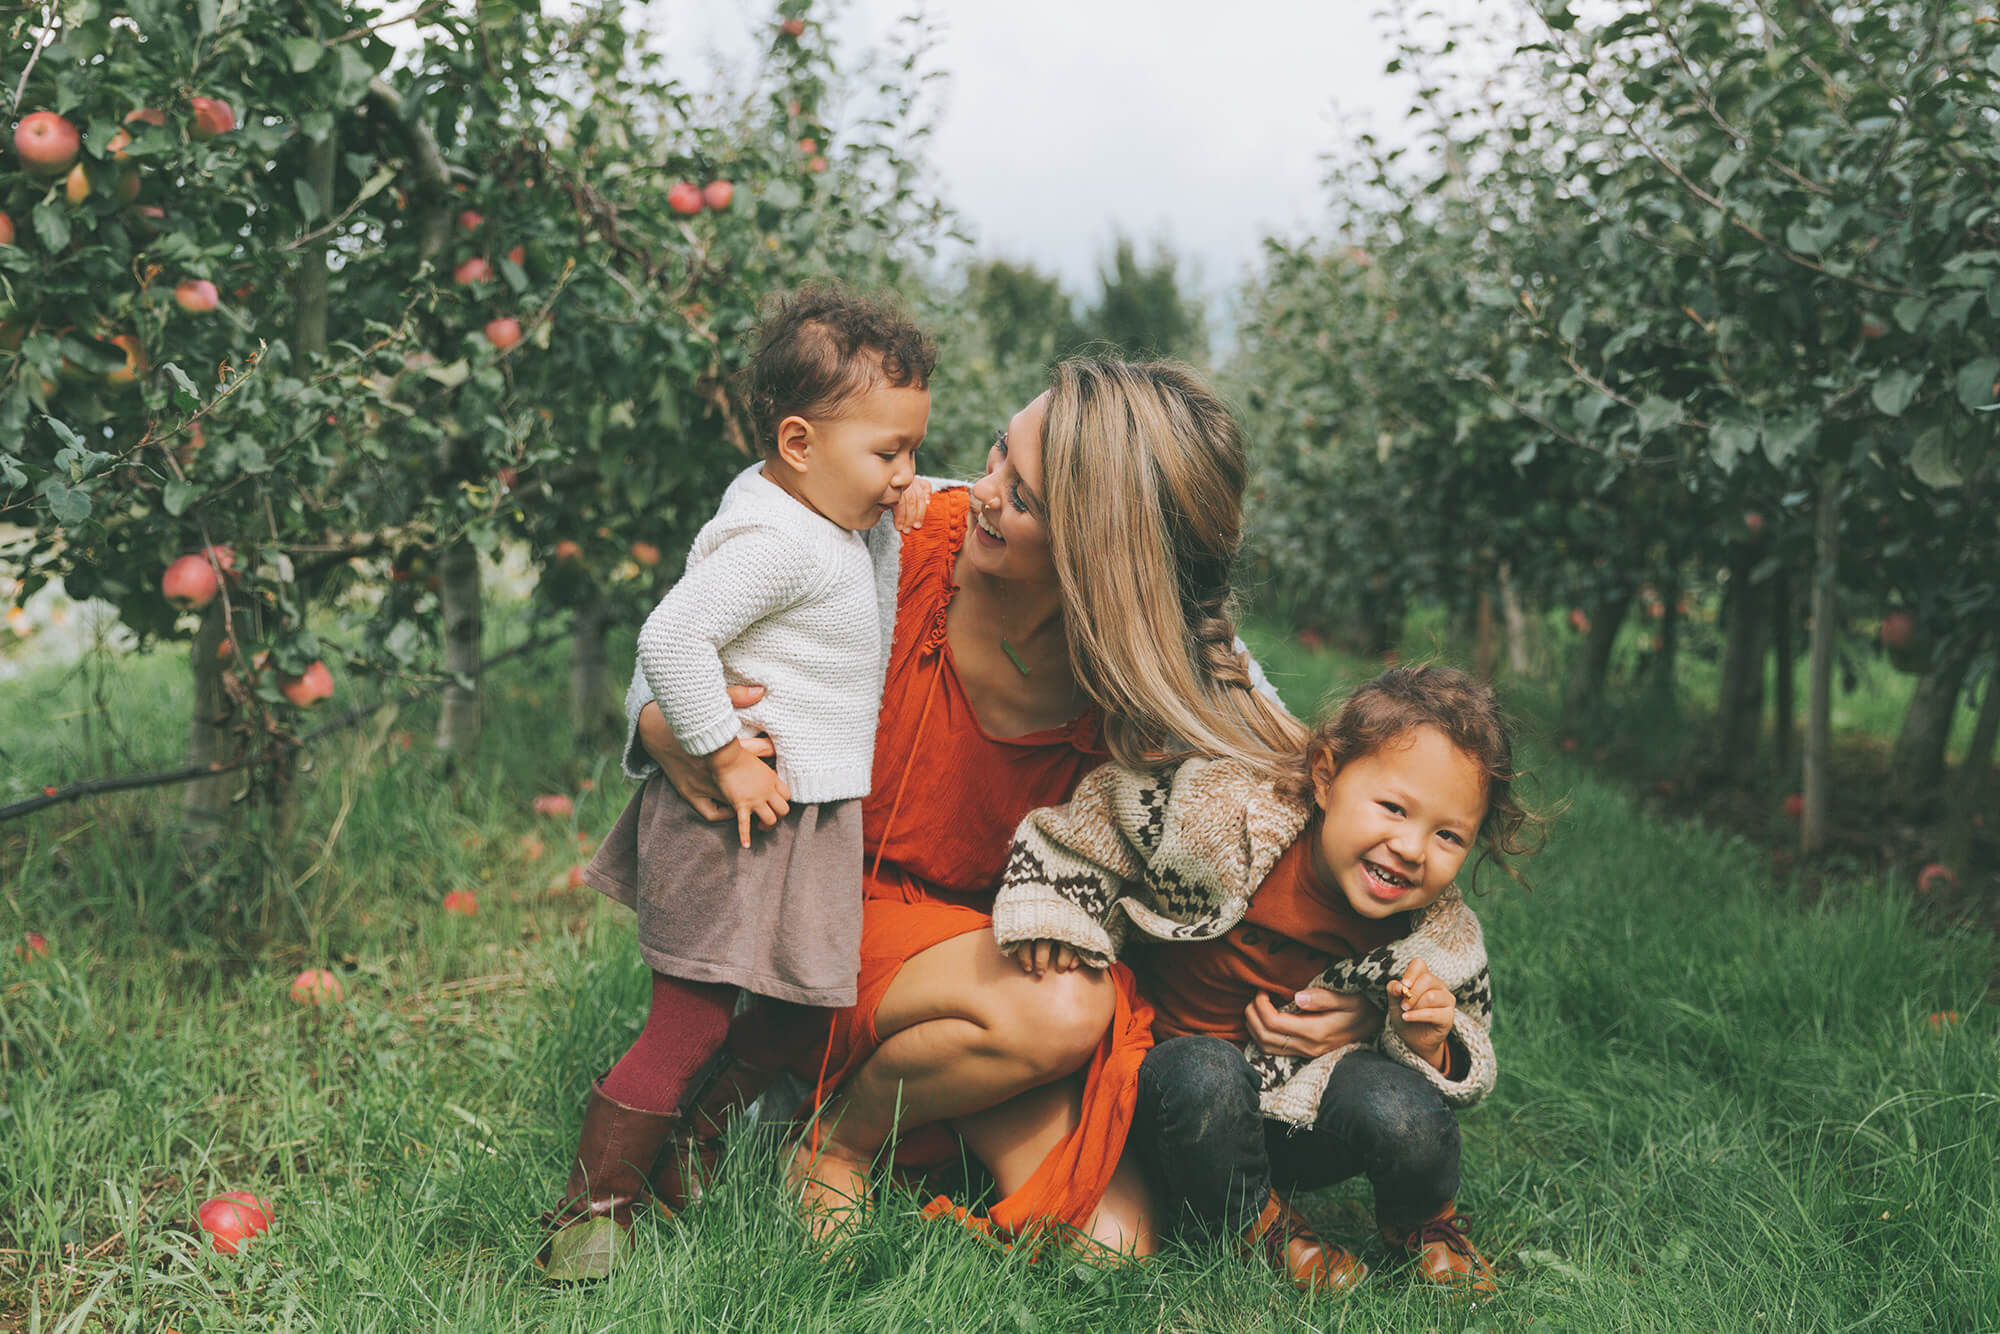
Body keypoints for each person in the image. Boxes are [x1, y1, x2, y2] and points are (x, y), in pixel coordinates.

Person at [619, 358, 1310, 1256]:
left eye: (1020, 496)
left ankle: (871, 1094)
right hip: (830, 909)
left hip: (993, 953)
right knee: (1065, 1009)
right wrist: (662, 725)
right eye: (998, 452)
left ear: (1102, 558)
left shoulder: (1163, 667)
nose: (980, 490)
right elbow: (679, 633)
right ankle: (842, 1143)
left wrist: (1364, 1004)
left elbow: (1321, 812)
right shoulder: (888, 537)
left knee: (1114, 1243)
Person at [538, 286, 937, 1281]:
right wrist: (715, 747)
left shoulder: (829, 522)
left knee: (802, 1011)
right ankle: (590, 1216)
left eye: (912, 450)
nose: (903, 474)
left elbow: (874, 579)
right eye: (888, 453)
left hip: (799, 821)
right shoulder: (772, 542)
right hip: (733, 816)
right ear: (799, 442)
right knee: (692, 1016)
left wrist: (910, 505)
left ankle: (691, 1145)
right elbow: (670, 635)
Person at [993, 665, 1543, 1294]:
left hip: (1295, 1104)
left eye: (1448, 835)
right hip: (1168, 1093)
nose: (1412, 848)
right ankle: (1259, 1226)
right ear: (1327, 777)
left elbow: (1470, 1041)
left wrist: (1426, 1040)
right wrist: (1057, 909)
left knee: (1407, 1114)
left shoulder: (1437, 934)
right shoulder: (1227, 820)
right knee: (1206, 1074)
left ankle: (1424, 1222)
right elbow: (1102, 820)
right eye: (1393, 808)